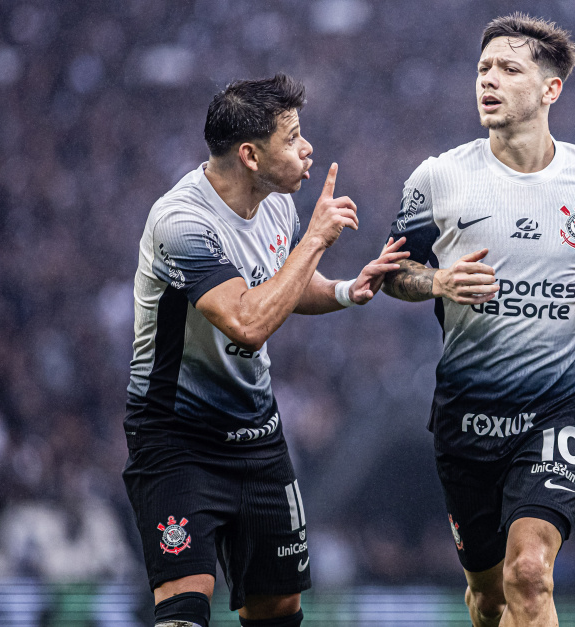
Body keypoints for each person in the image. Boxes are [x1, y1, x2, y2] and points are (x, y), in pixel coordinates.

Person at [382, 13, 575, 627]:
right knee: (488, 599)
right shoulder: (439, 177)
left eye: (509, 69)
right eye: (483, 68)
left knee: (530, 573)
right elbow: (389, 274)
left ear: (549, 89)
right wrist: (439, 280)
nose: (489, 80)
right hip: (467, 415)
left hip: (561, 408)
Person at [122, 75, 407, 627]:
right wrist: (317, 240)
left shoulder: (276, 204)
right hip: (177, 438)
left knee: (278, 609)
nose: (308, 149)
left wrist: (347, 289)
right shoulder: (181, 222)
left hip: (256, 438)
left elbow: (283, 288)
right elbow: (247, 322)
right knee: (184, 606)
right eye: (293, 136)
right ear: (250, 155)